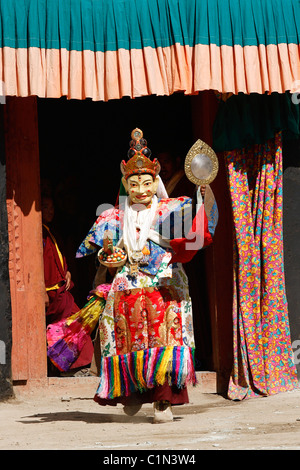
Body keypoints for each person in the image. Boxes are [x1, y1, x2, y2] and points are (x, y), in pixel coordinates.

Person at [76, 129, 218, 423]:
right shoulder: (114, 216)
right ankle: (132, 394)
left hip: (164, 286)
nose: (140, 189)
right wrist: (106, 256)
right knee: (128, 341)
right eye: (134, 182)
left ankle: (163, 402)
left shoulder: (174, 208)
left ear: (156, 181)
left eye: (147, 182)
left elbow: (198, 234)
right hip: (128, 286)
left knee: (164, 340)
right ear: (125, 182)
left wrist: (204, 198)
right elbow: (98, 251)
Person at [42, 195, 94, 375]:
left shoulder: (49, 231)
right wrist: (41, 289)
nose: (51, 211)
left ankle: (70, 367)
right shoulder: (39, 234)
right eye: (46, 207)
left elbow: (55, 260)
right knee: (68, 328)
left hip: (60, 290)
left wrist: (67, 272)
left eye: (52, 207)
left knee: (75, 325)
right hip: (51, 293)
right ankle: (70, 368)